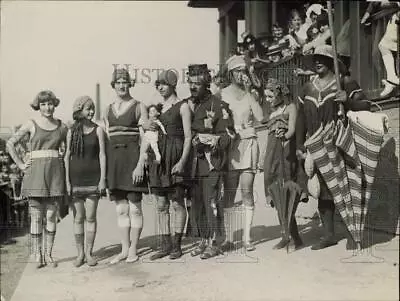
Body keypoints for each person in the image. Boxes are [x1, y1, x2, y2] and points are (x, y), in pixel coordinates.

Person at [296, 45, 371, 250]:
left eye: (322, 58)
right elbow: (301, 119)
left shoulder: (344, 83)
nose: (318, 62)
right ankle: (329, 234)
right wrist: (299, 145)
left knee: (344, 187)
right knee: (322, 190)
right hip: (316, 145)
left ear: (332, 62)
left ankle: (352, 234)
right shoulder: (307, 88)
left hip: (340, 143)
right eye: (315, 59)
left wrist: (348, 101)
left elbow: (366, 105)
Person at [7, 90, 68, 268]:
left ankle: (48, 254)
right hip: (35, 175)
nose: (47, 107)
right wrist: (19, 164)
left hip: (54, 174)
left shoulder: (62, 126)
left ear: (54, 104)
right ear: (38, 106)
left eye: (50, 103)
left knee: (51, 215)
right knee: (36, 217)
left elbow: (67, 149)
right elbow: (11, 143)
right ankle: (37, 255)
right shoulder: (31, 124)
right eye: (43, 104)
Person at [187, 64, 234, 259]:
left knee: (212, 202)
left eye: (197, 83)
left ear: (206, 83)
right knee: (198, 204)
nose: (192, 87)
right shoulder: (192, 105)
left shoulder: (218, 105)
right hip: (195, 164)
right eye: (190, 82)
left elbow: (229, 135)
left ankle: (216, 242)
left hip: (212, 162)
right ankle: (203, 240)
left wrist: (215, 139)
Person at [103, 67, 148, 264]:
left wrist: (140, 164)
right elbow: (105, 140)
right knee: (121, 209)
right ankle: (124, 249)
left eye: (125, 81)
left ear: (130, 84)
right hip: (115, 163)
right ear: (113, 85)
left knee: (135, 208)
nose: (122, 85)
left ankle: (134, 250)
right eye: (118, 82)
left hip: (132, 160)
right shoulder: (107, 109)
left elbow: (146, 137)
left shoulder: (139, 106)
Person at [146, 69, 192, 261]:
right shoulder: (157, 108)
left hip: (175, 157)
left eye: (164, 84)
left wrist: (182, 161)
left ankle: (176, 245)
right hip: (159, 159)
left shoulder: (182, 106)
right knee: (161, 204)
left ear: (173, 85)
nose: (160, 87)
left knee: (176, 202)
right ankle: (164, 245)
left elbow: (189, 137)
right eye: (158, 84)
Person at [221, 55, 264, 252]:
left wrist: (249, 93)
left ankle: (247, 238)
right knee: (229, 192)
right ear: (230, 73)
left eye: (243, 71)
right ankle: (229, 238)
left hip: (248, 144)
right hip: (231, 146)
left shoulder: (250, 93)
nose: (241, 75)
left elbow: (261, 117)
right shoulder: (221, 94)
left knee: (247, 190)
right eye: (237, 71)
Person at [263, 78, 305, 250]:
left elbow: (292, 130)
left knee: (286, 193)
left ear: (279, 94)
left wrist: (284, 135)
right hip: (272, 155)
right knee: (276, 193)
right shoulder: (272, 112)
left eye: (270, 95)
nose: (267, 99)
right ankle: (288, 236)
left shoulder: (291, 107)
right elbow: (269, 137)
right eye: (266, 96)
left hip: (285, 152)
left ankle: (291, 237)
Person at [64, 96, 106, 267]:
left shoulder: (99, 130)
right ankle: (80, 253)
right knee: (78, 218)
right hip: (75, 181)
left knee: (90, 217)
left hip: (93, 180)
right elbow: (67, 156)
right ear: (79, 111)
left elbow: (102, 155)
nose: (91, 112)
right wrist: (67, 181)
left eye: (93, 108)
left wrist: (103, 179)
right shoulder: (71, 132)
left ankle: (89, 253)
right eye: (88, 108)